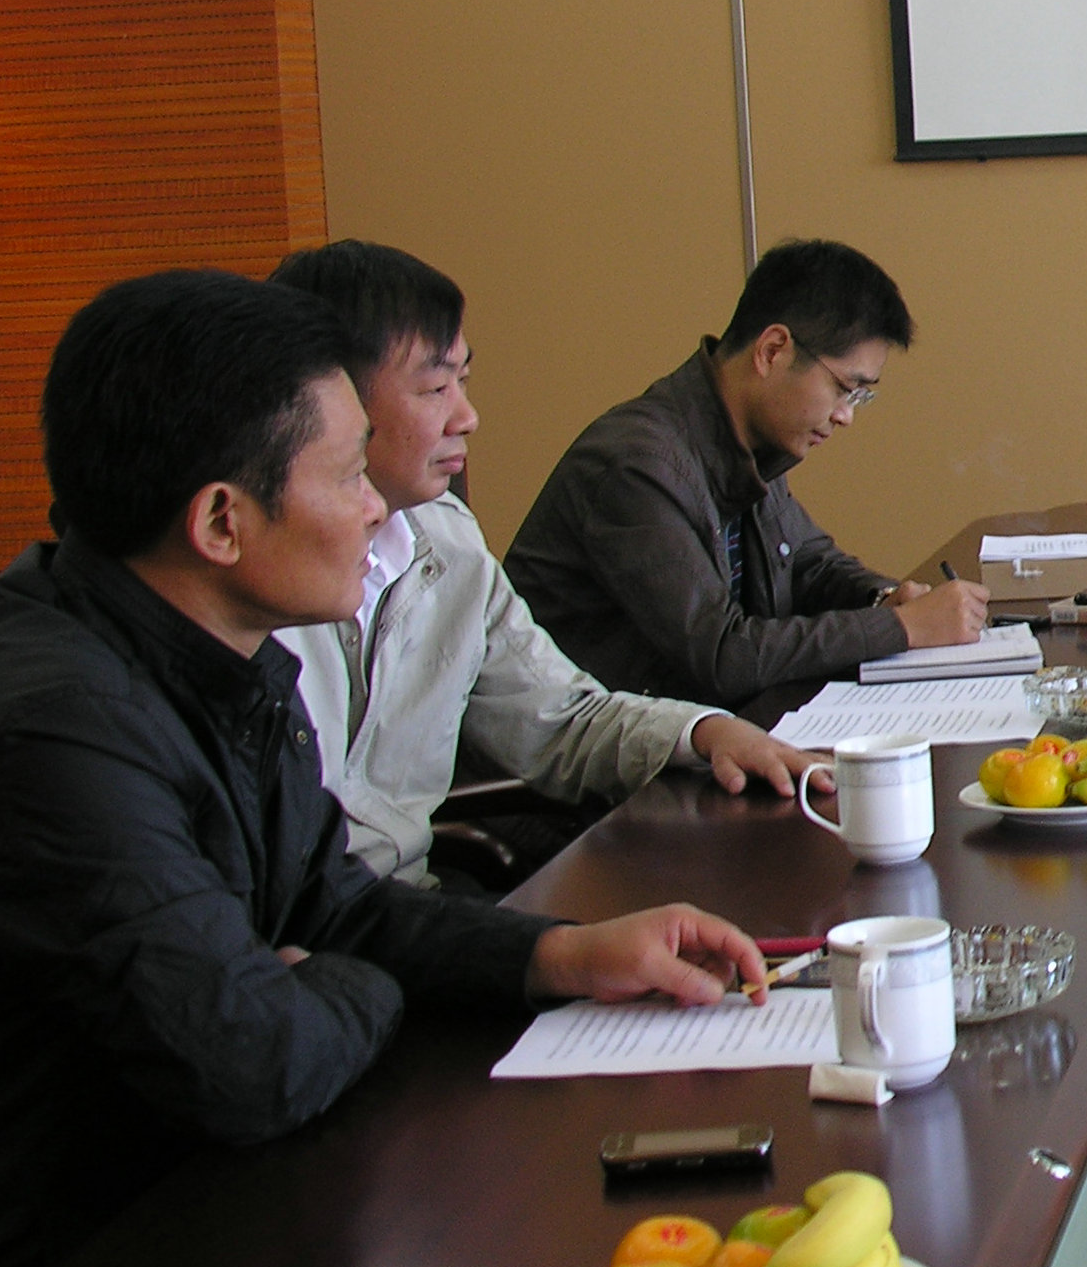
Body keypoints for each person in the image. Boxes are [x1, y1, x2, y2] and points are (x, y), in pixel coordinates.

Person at [0, 272, 768, 1267]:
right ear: (221, 521)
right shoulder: (59, 731)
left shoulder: (220, 649)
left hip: (214, 1196)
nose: (376, 508)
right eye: (351, 473)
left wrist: (564, 953)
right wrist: (340, 984)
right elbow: (253, 1058)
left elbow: (335, 907)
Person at [265, 241, 824, 887]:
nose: (467, 417)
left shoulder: (447, 539)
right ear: (330, 399)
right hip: (323, 928)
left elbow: (560, 717)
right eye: (435, 388)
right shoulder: (259, 587)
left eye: (463, 382)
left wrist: (704, 733)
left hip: (409, 909)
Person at [505, 240, 989, 707]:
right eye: (845, 388)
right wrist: (903, 628)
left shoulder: (745, 438)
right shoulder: (636, 465)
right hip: (590, 755)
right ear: (773, 350)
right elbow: (721, 655)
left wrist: (885, 599)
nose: (846, 415)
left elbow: (808, 564)